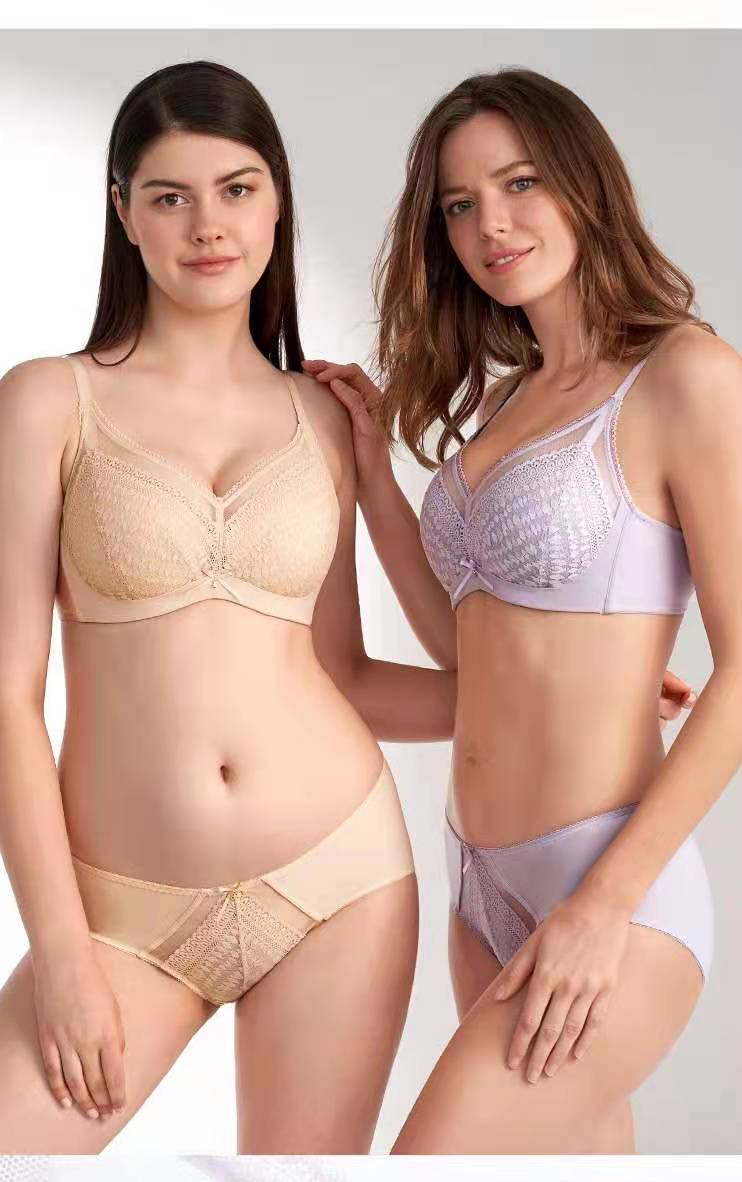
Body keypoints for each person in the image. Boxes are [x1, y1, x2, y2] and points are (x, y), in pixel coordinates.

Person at [0, 59, 444, 1154]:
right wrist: (63, 957)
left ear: (276, 204)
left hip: (339, 881)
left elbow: (345, 677)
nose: (207, 225)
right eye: (169, 196)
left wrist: (559, 701)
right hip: (122, 913)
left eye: (236, 189)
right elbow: (3, 701)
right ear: (123, 212)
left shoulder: (324, 418)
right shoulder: (48, 401)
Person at [303, 67, 741, 1153]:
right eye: (459, 204)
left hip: (607, 888)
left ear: (586, 182)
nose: (490, 226)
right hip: (481, 884)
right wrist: (373, 479)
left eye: (520, 183)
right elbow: (467, 645)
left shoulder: (685, 375)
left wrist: (601, 907)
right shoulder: (510, 400)